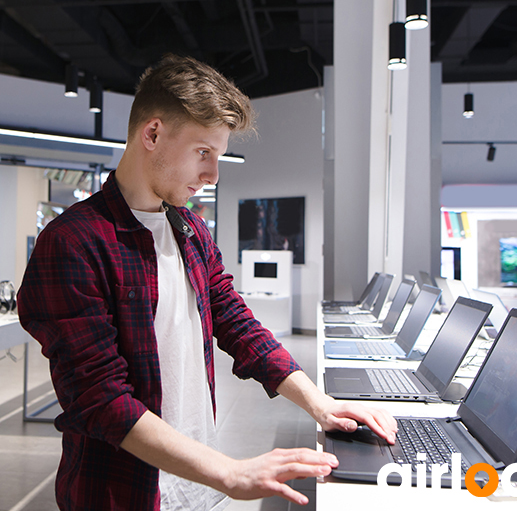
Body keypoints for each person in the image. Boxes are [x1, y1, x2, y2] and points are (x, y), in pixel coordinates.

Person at [17, 54, 397, 511]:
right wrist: (230, 471)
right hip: (121, 493)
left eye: (218, 156)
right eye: (203, 153)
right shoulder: (73, 242)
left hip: (195, 489)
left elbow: (235, 321)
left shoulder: (191, 231)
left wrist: (320, 402)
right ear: (152, 134)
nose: (213, 175)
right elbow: (100, 400)